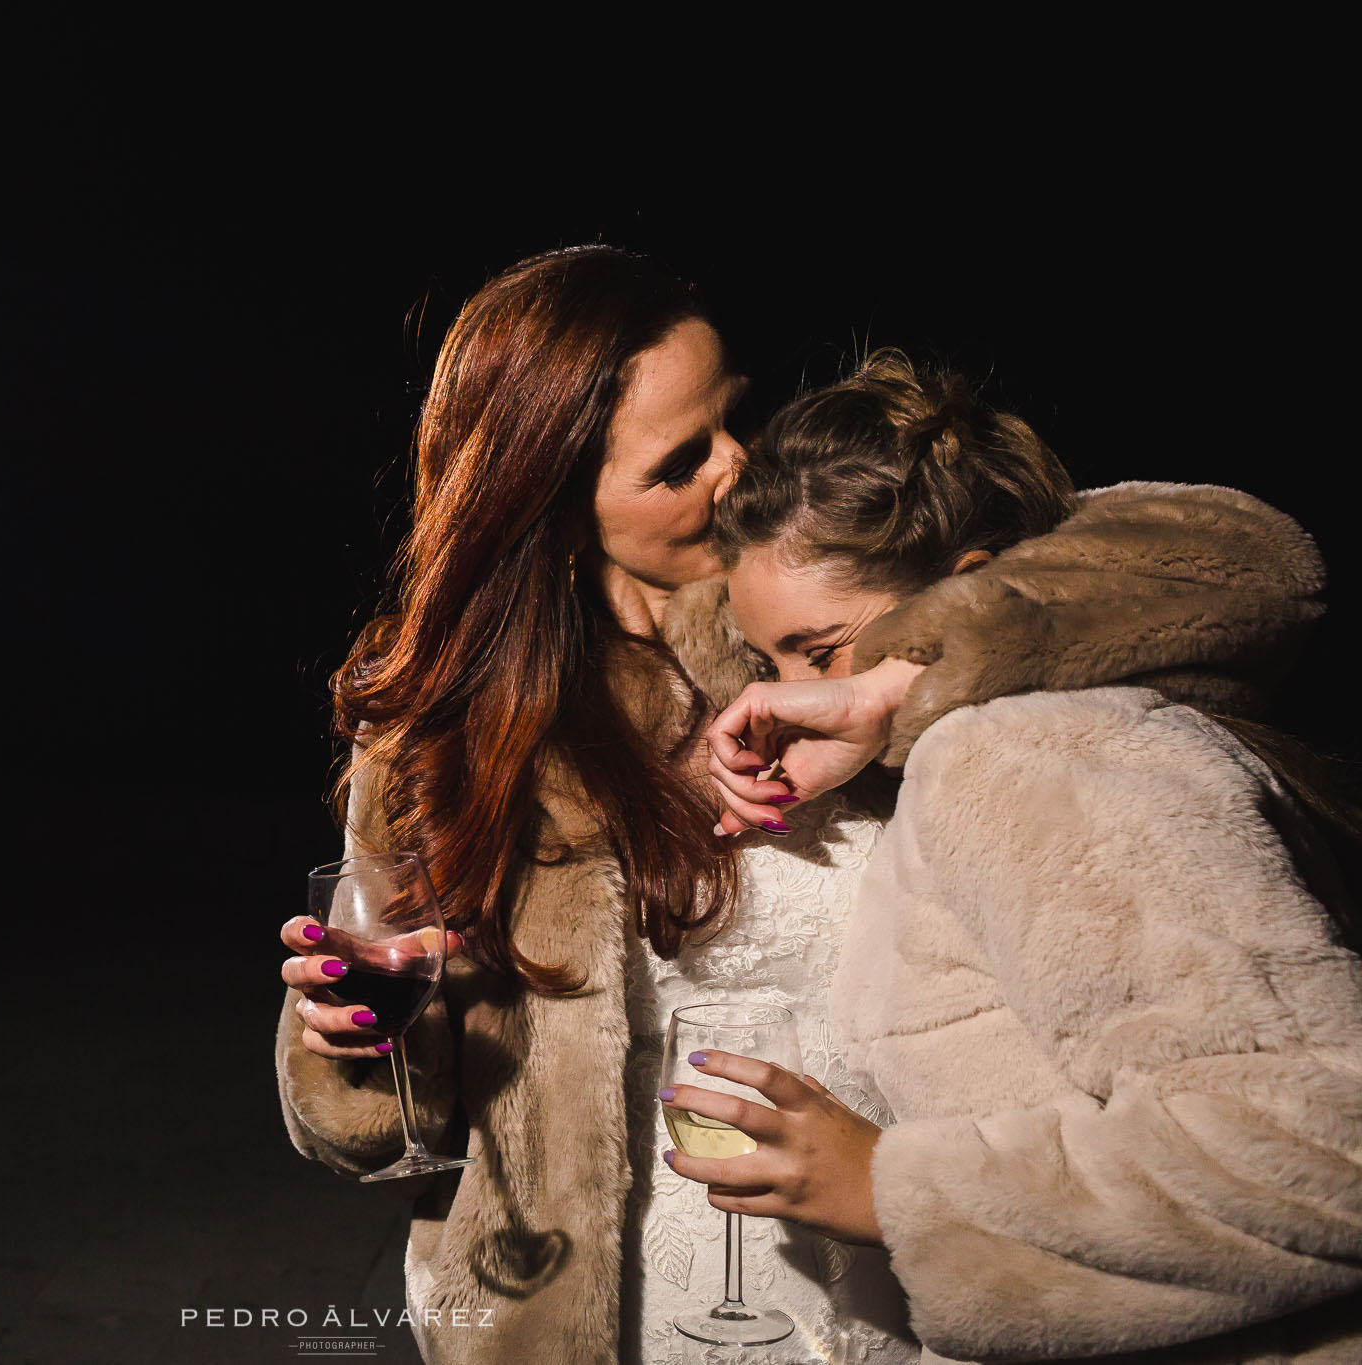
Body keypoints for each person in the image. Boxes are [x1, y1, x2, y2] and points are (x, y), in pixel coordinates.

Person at [273, 247, 1326, 1365]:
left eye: (734, 414)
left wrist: (911, 671)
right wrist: (355, 1047)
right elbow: (381, 1138)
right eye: (679, 462)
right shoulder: (446, 740)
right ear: (550, 506)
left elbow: (1247, 565)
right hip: (574, 1322)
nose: (737, 467)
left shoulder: (826, 591)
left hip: (914, 1294)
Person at [666, 350, 1361, 1361]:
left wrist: (890, 1189)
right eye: (765, 661)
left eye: (820, 649)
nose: (781, 696)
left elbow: (1327, 1146)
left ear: (961, 596)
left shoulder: (1023, 752)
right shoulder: (1001, 745)